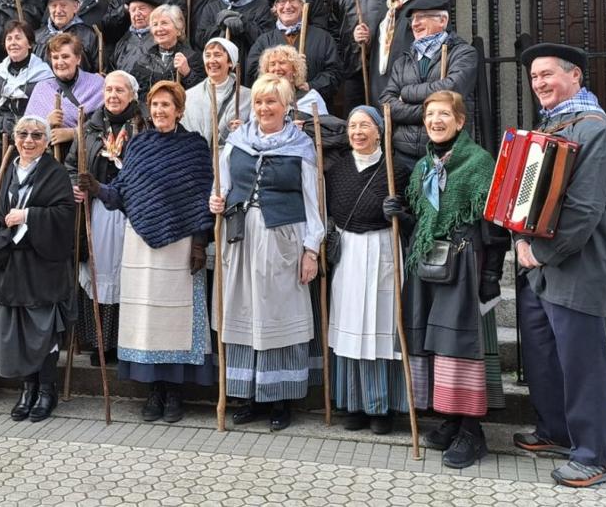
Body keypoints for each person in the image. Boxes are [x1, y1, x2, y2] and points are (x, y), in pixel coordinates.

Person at [512, 43, 606, 488]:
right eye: (534, 77)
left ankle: (597, 456)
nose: (539, 83)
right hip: (540, 261)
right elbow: (528, 195)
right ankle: (557, 431)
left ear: (575, 76)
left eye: (547, 75)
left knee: (582, 360)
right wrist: (521, 237)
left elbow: (583, 210)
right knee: (543, 352)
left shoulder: (593, 127)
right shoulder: (552, 124)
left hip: (578, 262)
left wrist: (541, 252)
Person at [382, 90, 508, 469]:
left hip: (465, 263)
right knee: (432, 338)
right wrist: (401, 214)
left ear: (460, 120)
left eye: (443, 114)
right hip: (427, 263)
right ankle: (450, 419)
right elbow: (423, 222)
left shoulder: (479, 163)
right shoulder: (423, 167)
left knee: (459, 343)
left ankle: (472, 430)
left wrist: (491, 274)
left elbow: (495, 222)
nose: (435, 121)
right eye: (430, 115)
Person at [78, 80, 216, 423]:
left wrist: (200, 242)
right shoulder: (138, 146)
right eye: (154, 106)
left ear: (179, 110)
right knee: (148, 320)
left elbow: (201, 197)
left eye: (166, 106)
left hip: (181, 244)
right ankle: (154, 392)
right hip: (140, 244)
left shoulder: (195, 147)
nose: (159, 112)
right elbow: (123, 194)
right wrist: (97, 188)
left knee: (176, 318)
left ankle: (175, 393)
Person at [209, 74, 324, 431]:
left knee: (277, 316)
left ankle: (281, 399)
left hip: (282, 239)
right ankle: (248, 397)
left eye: (271, 102)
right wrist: (216, 199)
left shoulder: (301, 146)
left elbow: (313, 202)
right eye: (259, 102)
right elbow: (223, 184)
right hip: (241, 237)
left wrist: (311, 250)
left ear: (287, 106)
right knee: (243, 312)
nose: (264, 108)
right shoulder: (237, 141)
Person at [0, 115, 77, 422]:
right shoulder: (4, 172)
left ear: (46, 142)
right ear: (15, 138)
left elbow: (64, 214)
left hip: (41, 266)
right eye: (23, 134)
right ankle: (27, 389)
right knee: (16, 332)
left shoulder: (55, 173)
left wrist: (29, 215)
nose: (28, 140)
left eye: (36, 135)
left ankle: (47, 390)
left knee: (41, 331)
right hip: (10, 265)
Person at [326, 107, 410, 435]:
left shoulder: (396, 170)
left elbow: (412, 212)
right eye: (353, 126)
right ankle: (353, 403)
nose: (358, 131)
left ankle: (382, 407)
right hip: (348, 253)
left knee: (380, 323)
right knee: (349, 325)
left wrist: (399, 210)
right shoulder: (338, 169)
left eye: (365, 125)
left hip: (381, 248)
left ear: (379, 131)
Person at [64, 70, 147, 367]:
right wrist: (77, 184)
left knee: (130, 273)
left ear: (132, 94)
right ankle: (101, 343)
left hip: (133, 209)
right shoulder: (90, 126)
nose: (113, 95)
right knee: (99, 273)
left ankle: (129, 341)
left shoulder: (143, 124)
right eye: (109, 89)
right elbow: (72, 164)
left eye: (120, 90)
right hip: (98, 209)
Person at [378, 0, 477, 169]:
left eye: (422, 17)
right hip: (403, 157)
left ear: (443, 21)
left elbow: (451, 88)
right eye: (413, 19)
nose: (415, 24)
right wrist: (427, 113)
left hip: (446, 153)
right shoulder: (403, 61)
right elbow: (387, 103)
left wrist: (406, 93)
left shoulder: (463, 53)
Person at [246, 0, 342, 104]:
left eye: (293, 0)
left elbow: (334, 72)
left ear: (303, 6)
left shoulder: (323, 38)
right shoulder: (264, 41)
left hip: (312, 108)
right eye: (281, 2)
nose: (287, 6)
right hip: (275, 107)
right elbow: (252, 73)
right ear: (275, 9)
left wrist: (310, 86)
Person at [360, 0, 435, 100]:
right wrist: (366, 40)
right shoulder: (386, 9)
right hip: (382, 91)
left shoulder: (427, 4)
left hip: (411, 93)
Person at [24, 33, 105, 155]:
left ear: (78, 59)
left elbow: (105, 122)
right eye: (55, 57)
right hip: (51, 159)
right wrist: (46, 123)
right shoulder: (42, 88)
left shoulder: (97, 84)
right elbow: (26, 130)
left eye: (65, 56)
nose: (60, 62)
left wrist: (74, 132)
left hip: (87, 155)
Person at [0, 19, 52, 150]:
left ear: (30, 44)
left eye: (18, 38)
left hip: (31, 138)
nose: (13, 43)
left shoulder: (44, 74)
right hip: (0, 139)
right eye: (9, 39)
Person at [181, 37, 249, 150]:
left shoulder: (247, 97)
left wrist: (245, 131)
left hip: (230, 162)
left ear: (230, 62)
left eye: (217, 55)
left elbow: (258, 133)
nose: (212, 60)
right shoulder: (189, 96)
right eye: (208, 56)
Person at [129, 3, 204, 102]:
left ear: (178, 29)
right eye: (155, 24)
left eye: (164, 23)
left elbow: (203, 93)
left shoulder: (193, 58)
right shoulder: (142, 62)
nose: (159, 29)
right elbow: (135, 95)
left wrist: (188, 73)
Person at [34, 0, 101, 72]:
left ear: (76, 7)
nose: (58, 11)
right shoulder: (37, 37)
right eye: (54, 6)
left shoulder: (89, 36)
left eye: (63, 5)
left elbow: (99, 70)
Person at [256, 45, 328, 119]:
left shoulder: (311, 97)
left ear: (294, 69)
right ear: (267, 71)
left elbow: (325, 127)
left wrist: (305, 127)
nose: (277, 68)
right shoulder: (260, 99)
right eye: (272, 64)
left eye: (282, 63)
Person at [109, 0, 160, 75]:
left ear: (154, 11)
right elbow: (112, 69)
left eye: (142, 8)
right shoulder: (123, 42)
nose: (137, 14)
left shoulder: (163, 38)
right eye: (133, 10)